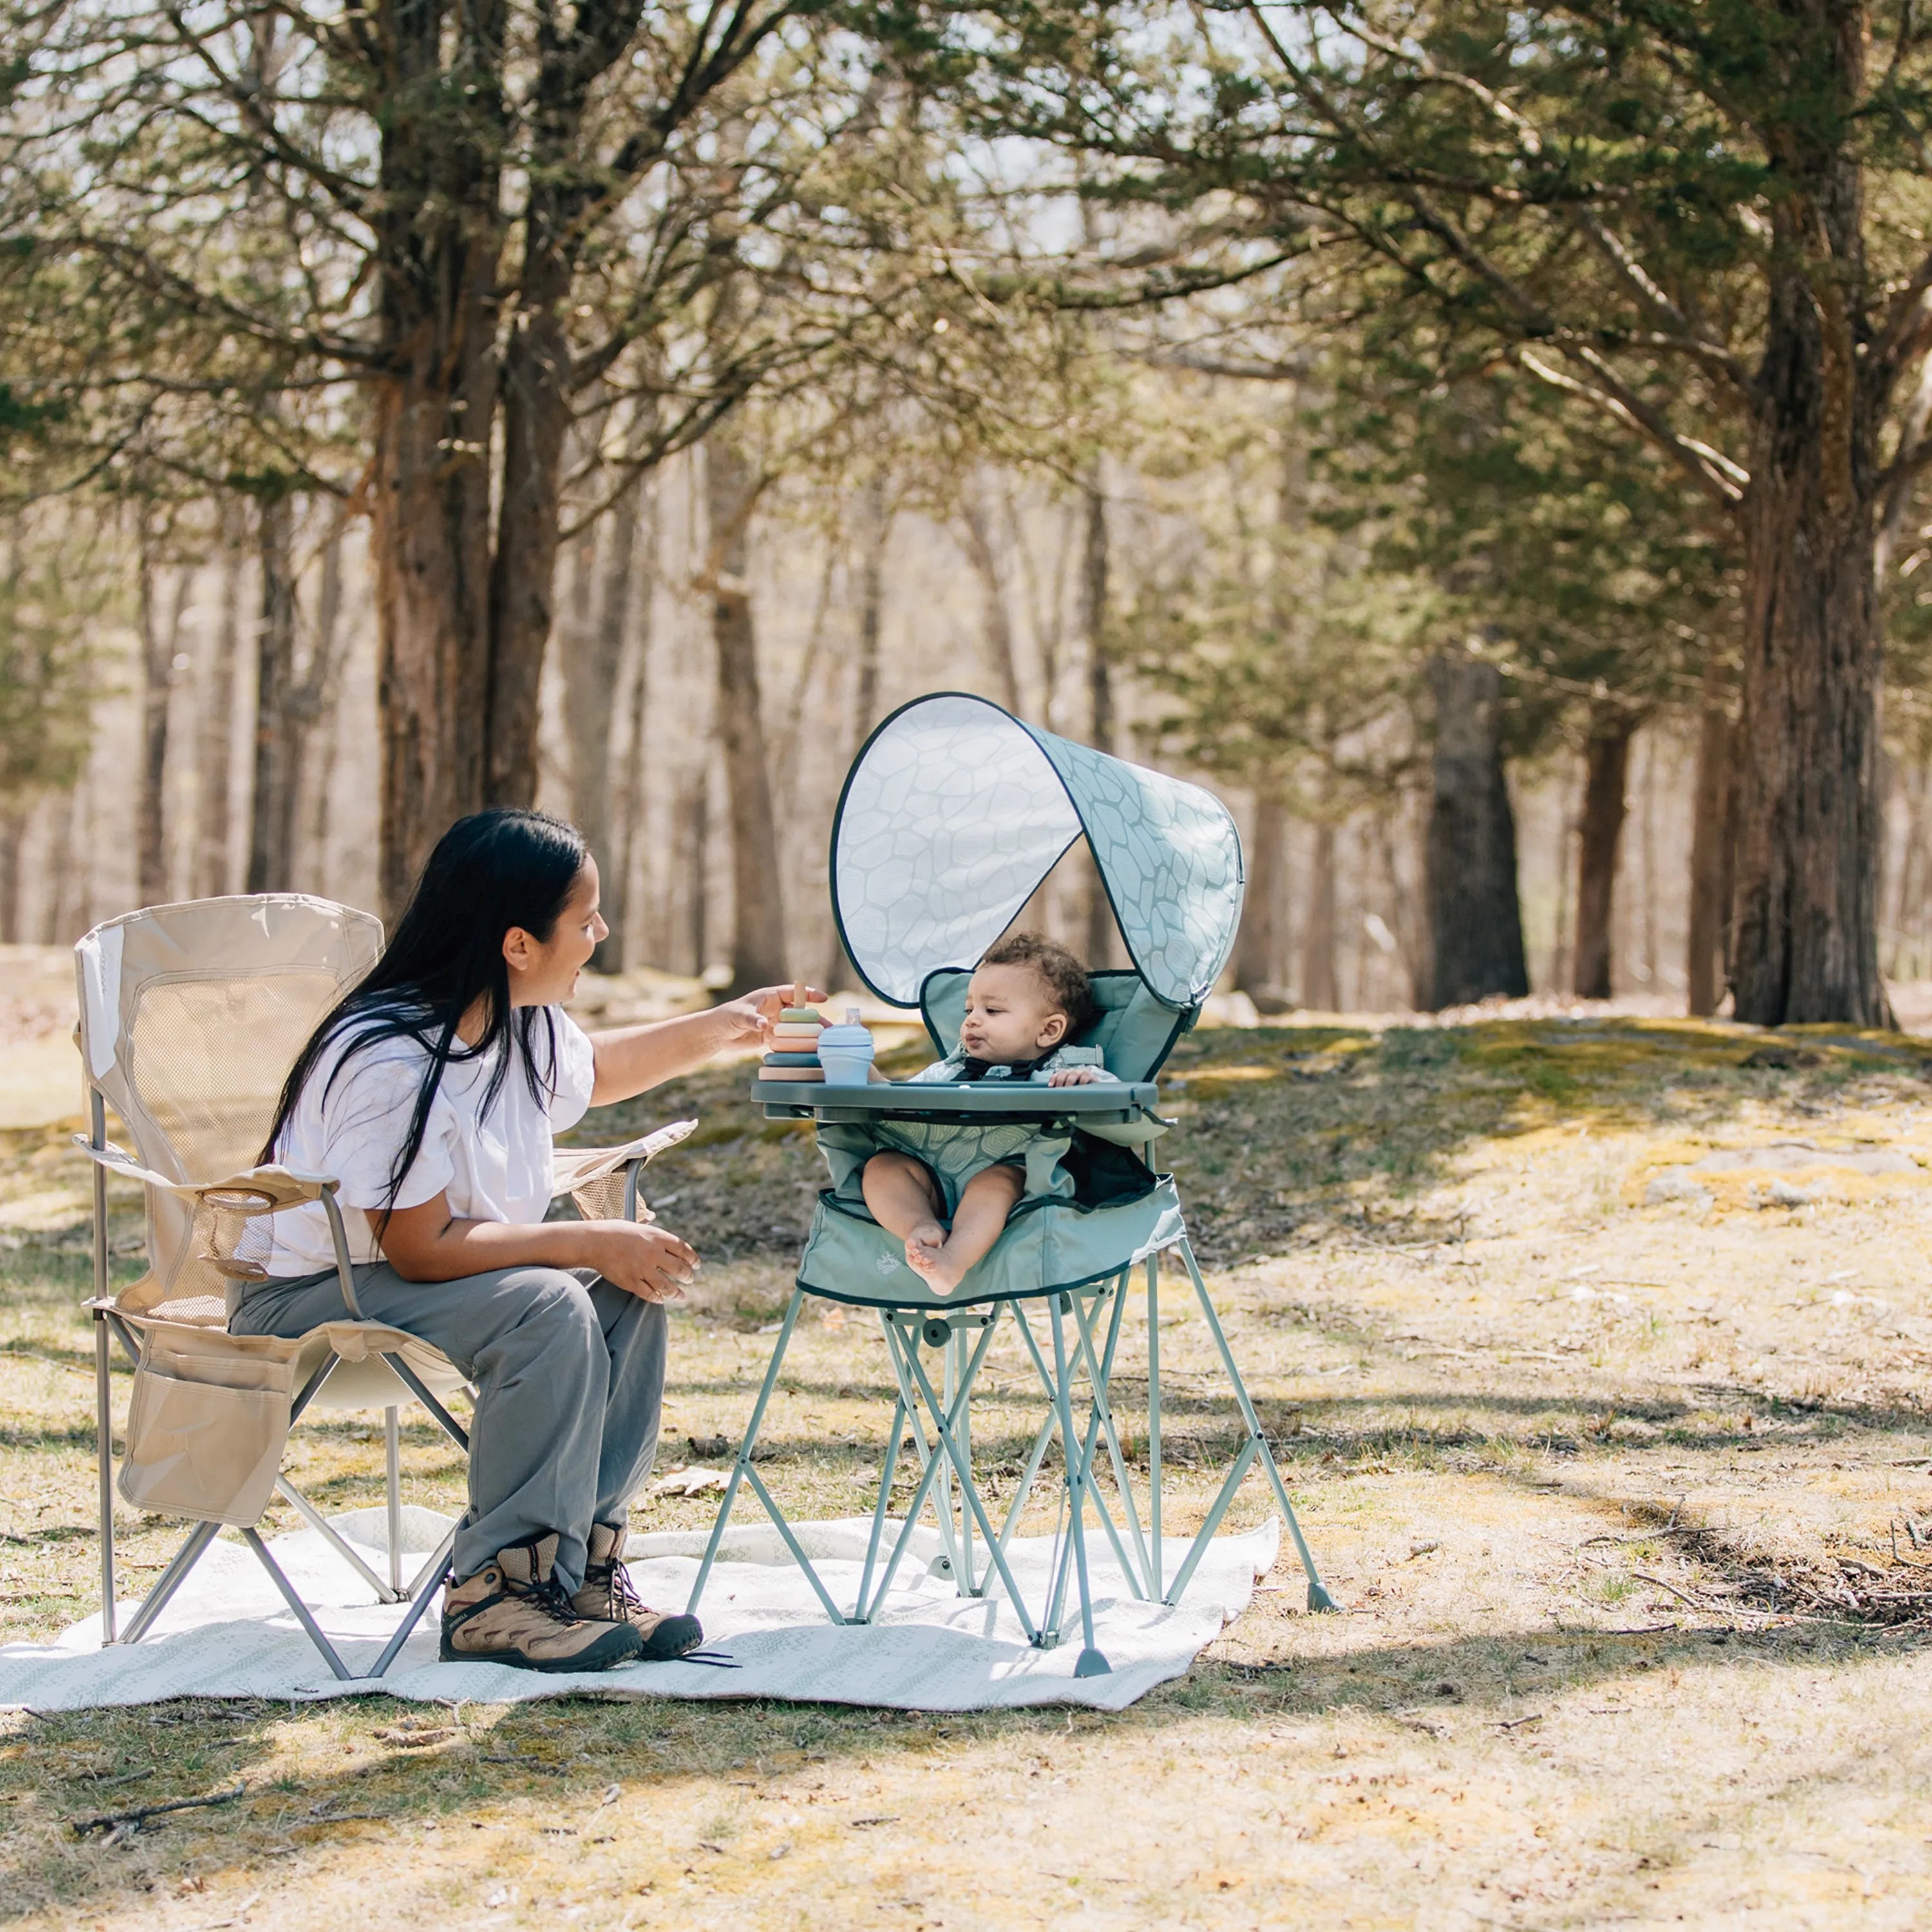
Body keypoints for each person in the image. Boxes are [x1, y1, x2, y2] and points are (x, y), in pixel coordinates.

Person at [232, 808, 822, 1674]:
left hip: (419, 1283)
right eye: (584, 920)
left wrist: (730, 1023)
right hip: (312, 1296)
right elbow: (419, 1250)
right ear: (517, 943)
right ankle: (495, 1595)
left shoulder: (519, 1019)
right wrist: (582, 1241)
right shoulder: (391, 1059)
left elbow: (602, 1071)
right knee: (551, 1302)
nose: (601, 933)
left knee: (628, 1286)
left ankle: (579, 1568)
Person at [860, 933, 1115, 1298]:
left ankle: (952, 1263)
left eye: (992, 1011)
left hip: (1008, 1178)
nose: (973, 1021)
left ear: (1049, 1030)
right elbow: (894, 1099)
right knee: (882, 1167)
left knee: (995, 1182)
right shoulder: (952, 1069)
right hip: (930, 1178)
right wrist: (858, 1069)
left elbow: (1116, 1095)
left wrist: (1086, 1083)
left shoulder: (1063, 1067)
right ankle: (921, 1226)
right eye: (970, 1010)